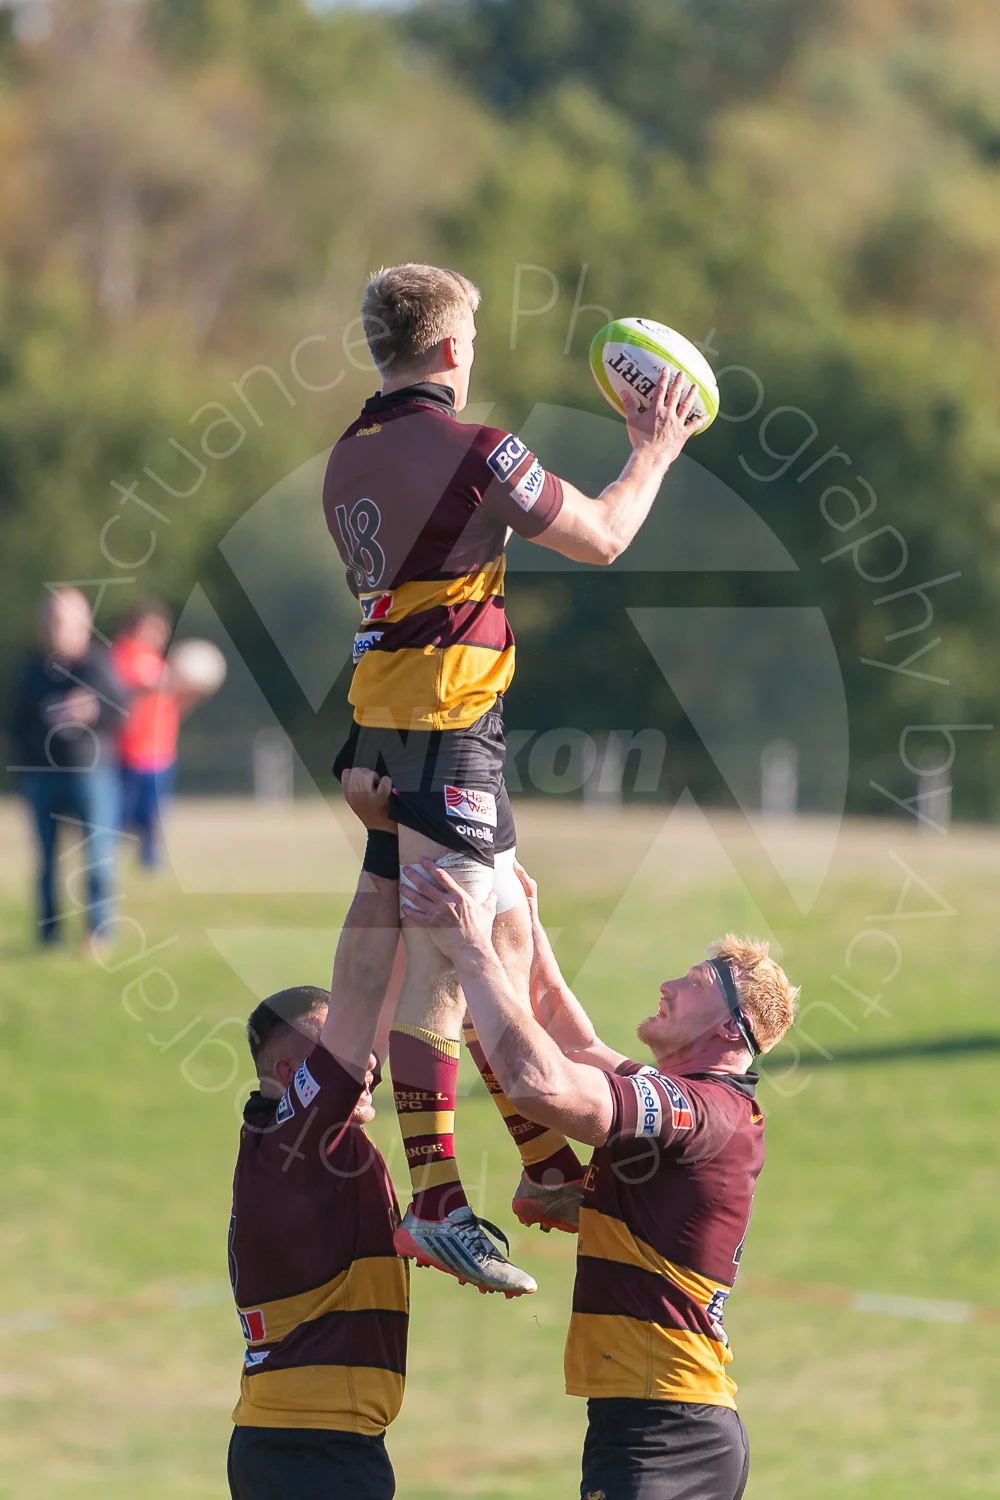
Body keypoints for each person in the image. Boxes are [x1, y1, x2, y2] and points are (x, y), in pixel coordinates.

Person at [324, 262, 708, 1292]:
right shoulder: (481, 450)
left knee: (477, 937)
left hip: (380, 728)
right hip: (451, 732)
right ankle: (439, 1196)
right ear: (453, 350)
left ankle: (539, 1169)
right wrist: (654, 449)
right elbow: (606, 535)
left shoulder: (343, 458)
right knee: (462, 952)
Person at [401, 856, 799, 1500]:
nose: (668, 984)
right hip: (653, 1417)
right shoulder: (689, 1096)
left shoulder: (702, 1111)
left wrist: (474, 951)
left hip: (669, 1429)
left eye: (694, 981)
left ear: (729, 1026)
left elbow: (542, 1085)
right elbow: (572, 1038)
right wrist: (526, 919)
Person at [227, 770, 411, 1500]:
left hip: (316, 1448)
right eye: (333, 1045)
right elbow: (363, 980)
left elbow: (383, 1005)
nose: (361, 1059)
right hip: (310, 1454)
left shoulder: (298, 1144)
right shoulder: (297, 1142)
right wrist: (382, 841)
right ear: (284, 1067)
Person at [8, 587, 124, 956]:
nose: (58, 627)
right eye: (53, 619)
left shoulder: (97, 665)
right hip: (42, 777)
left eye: (66, 619)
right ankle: (49, 937)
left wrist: (93, 710)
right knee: (46, 862)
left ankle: (99, 933)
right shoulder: (32, 671)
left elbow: (123, 710)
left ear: (84, 623)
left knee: (98, 859)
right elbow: (15, 723)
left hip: (91, 774)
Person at [111, 599, 177, 870]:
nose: (159, 636)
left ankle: (150, 866)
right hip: (129, 752)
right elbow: (120, 697)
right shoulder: (120, 656)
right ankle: (108, 862)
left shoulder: (157, 661)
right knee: (121, 816)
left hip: (160, 752)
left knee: (154, 817)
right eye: (153, 629)